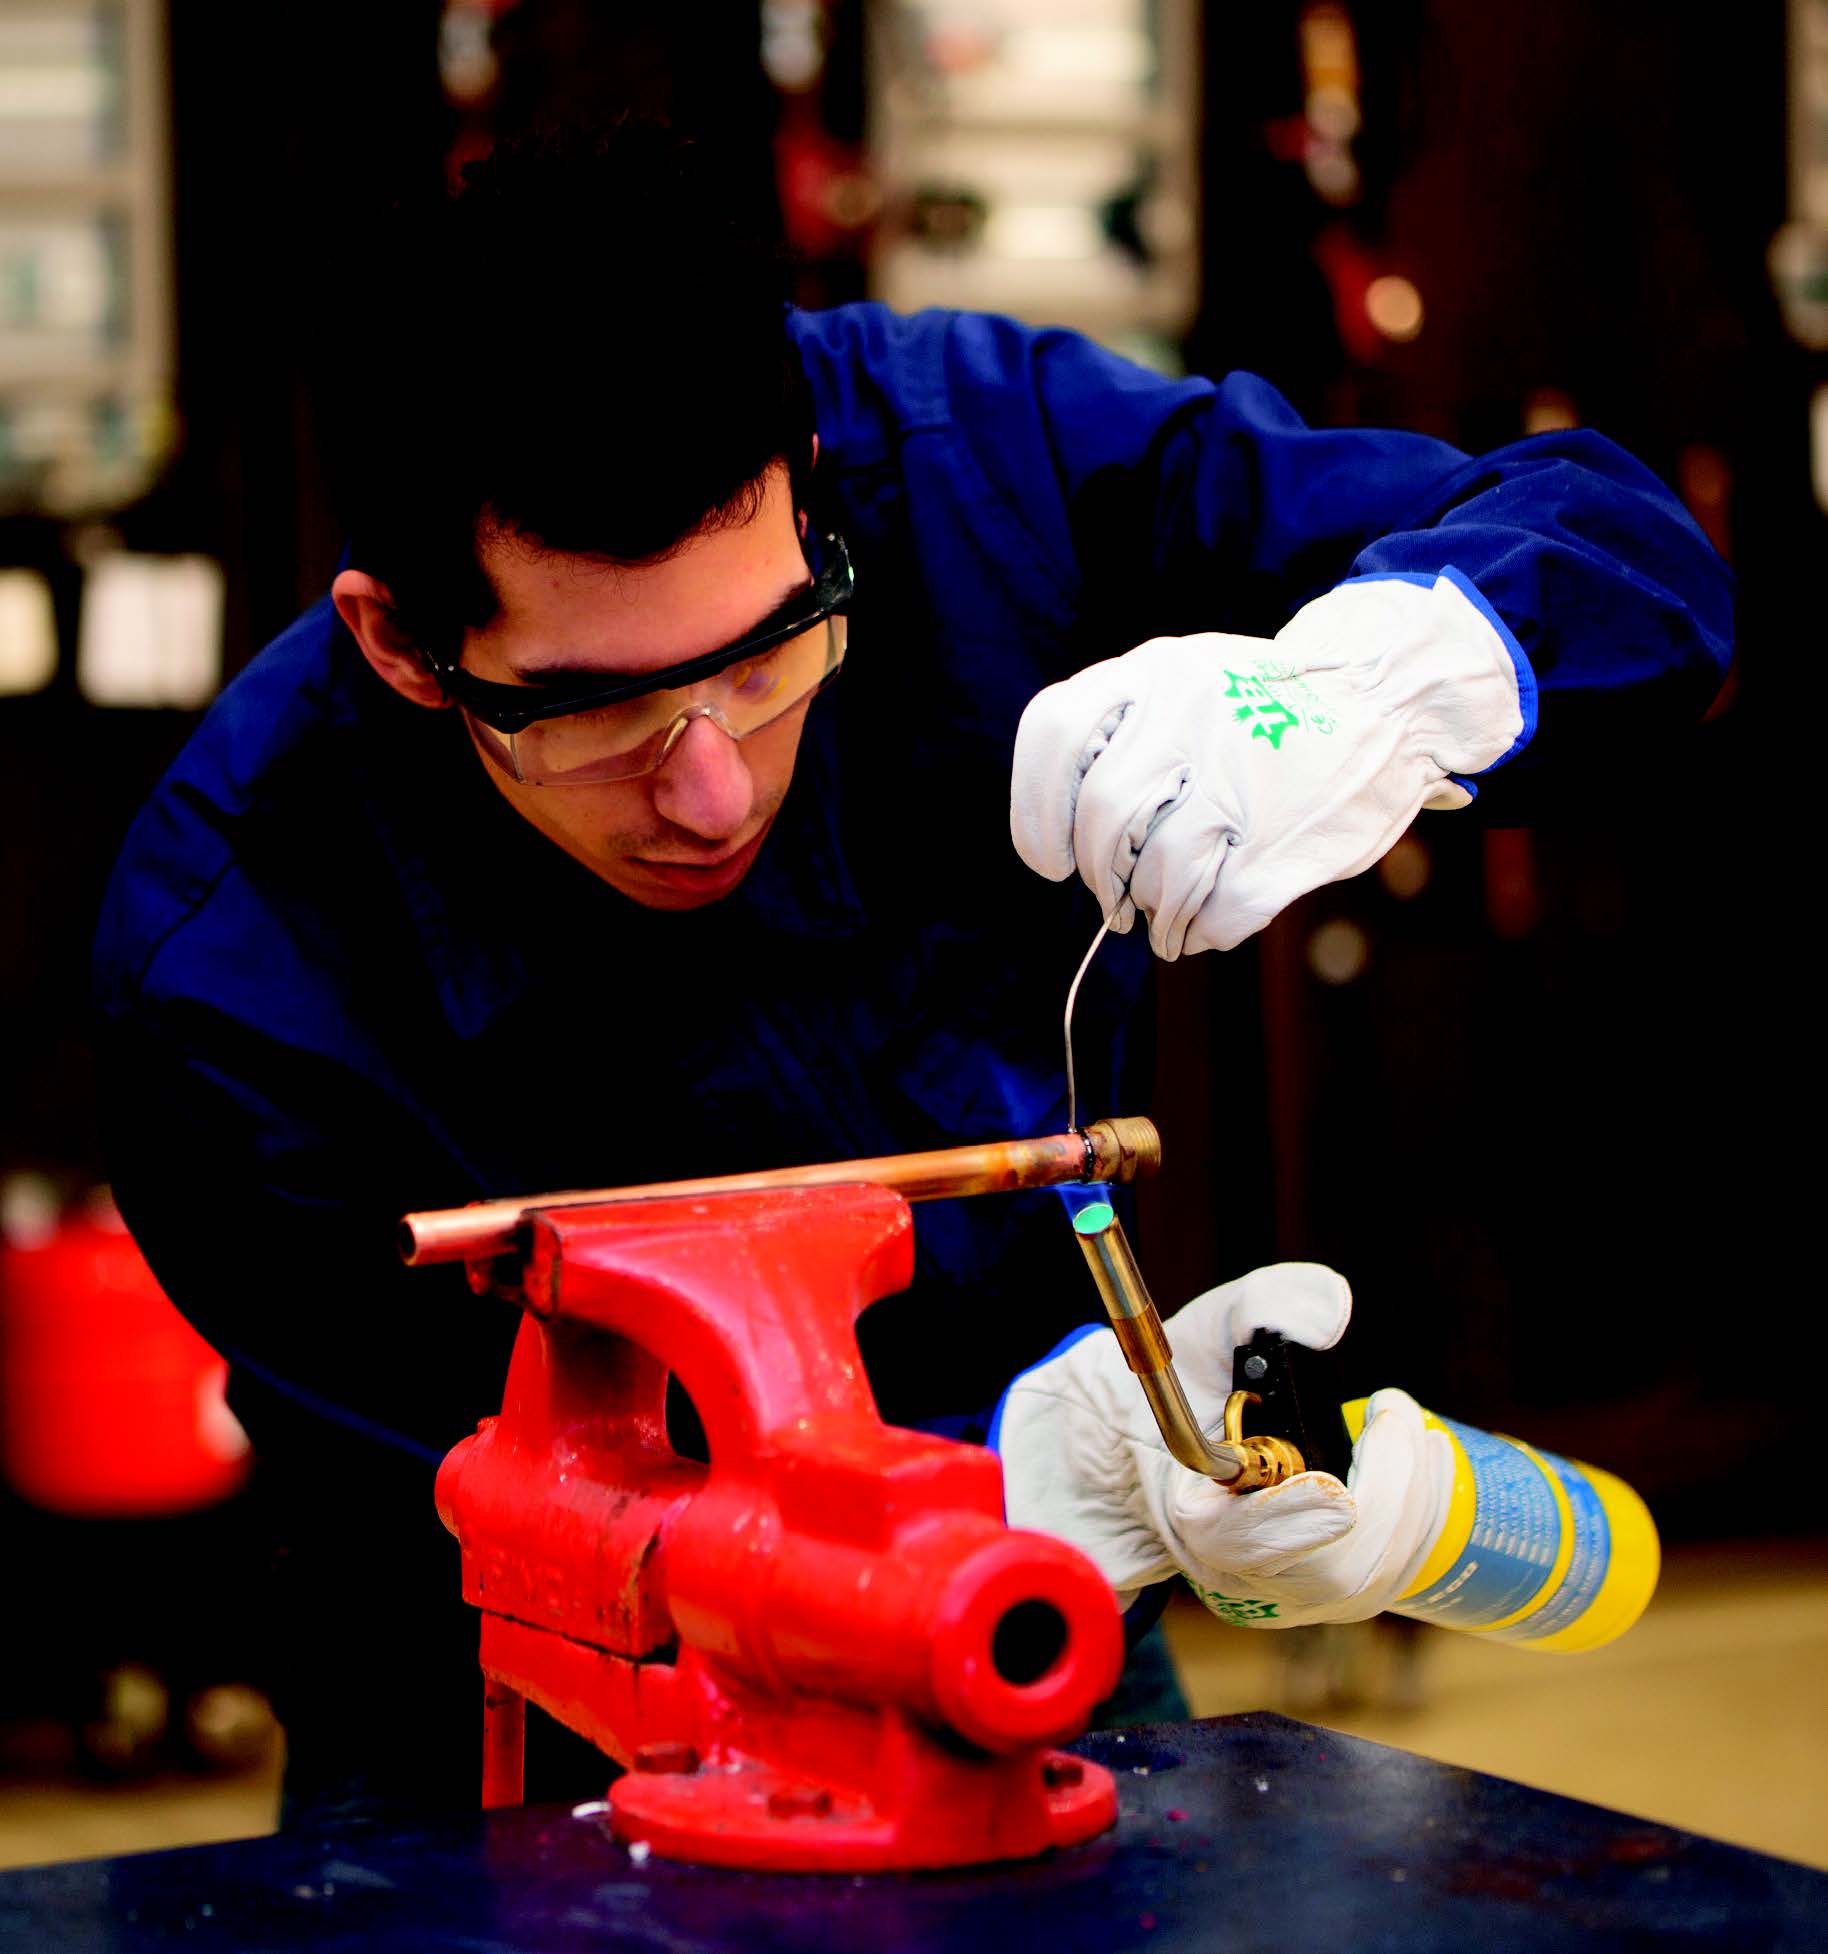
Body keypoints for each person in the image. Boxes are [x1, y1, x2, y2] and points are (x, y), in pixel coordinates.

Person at [93, 122, 1732, 1822]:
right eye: (593, 711)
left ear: (810, 476)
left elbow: (1632, 559)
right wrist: (1037, 1480)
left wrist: (1385, 682)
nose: (710, 788)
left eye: (766, 652)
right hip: (518, 1749)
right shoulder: (231, 976)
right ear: (401, 644)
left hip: (1033, 1631)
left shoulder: (976, 469)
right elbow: (467, 1516)